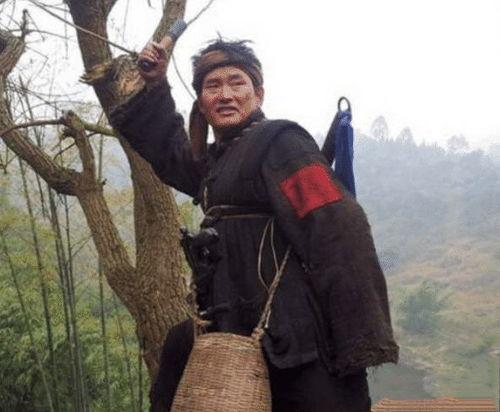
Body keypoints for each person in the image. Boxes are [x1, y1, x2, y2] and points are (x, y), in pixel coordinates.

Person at [110, 39, 398, 412]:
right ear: (201, 103)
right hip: (228, 321)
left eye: (237, 83)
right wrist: (155, 85)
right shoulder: (216, 162)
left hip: (292, 332)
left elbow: (336, 224)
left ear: (258, 93)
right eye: (213, 86)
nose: (225, 95)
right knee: (177, 356)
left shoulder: (283, 144)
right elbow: (170, 154)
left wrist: (355, 335)